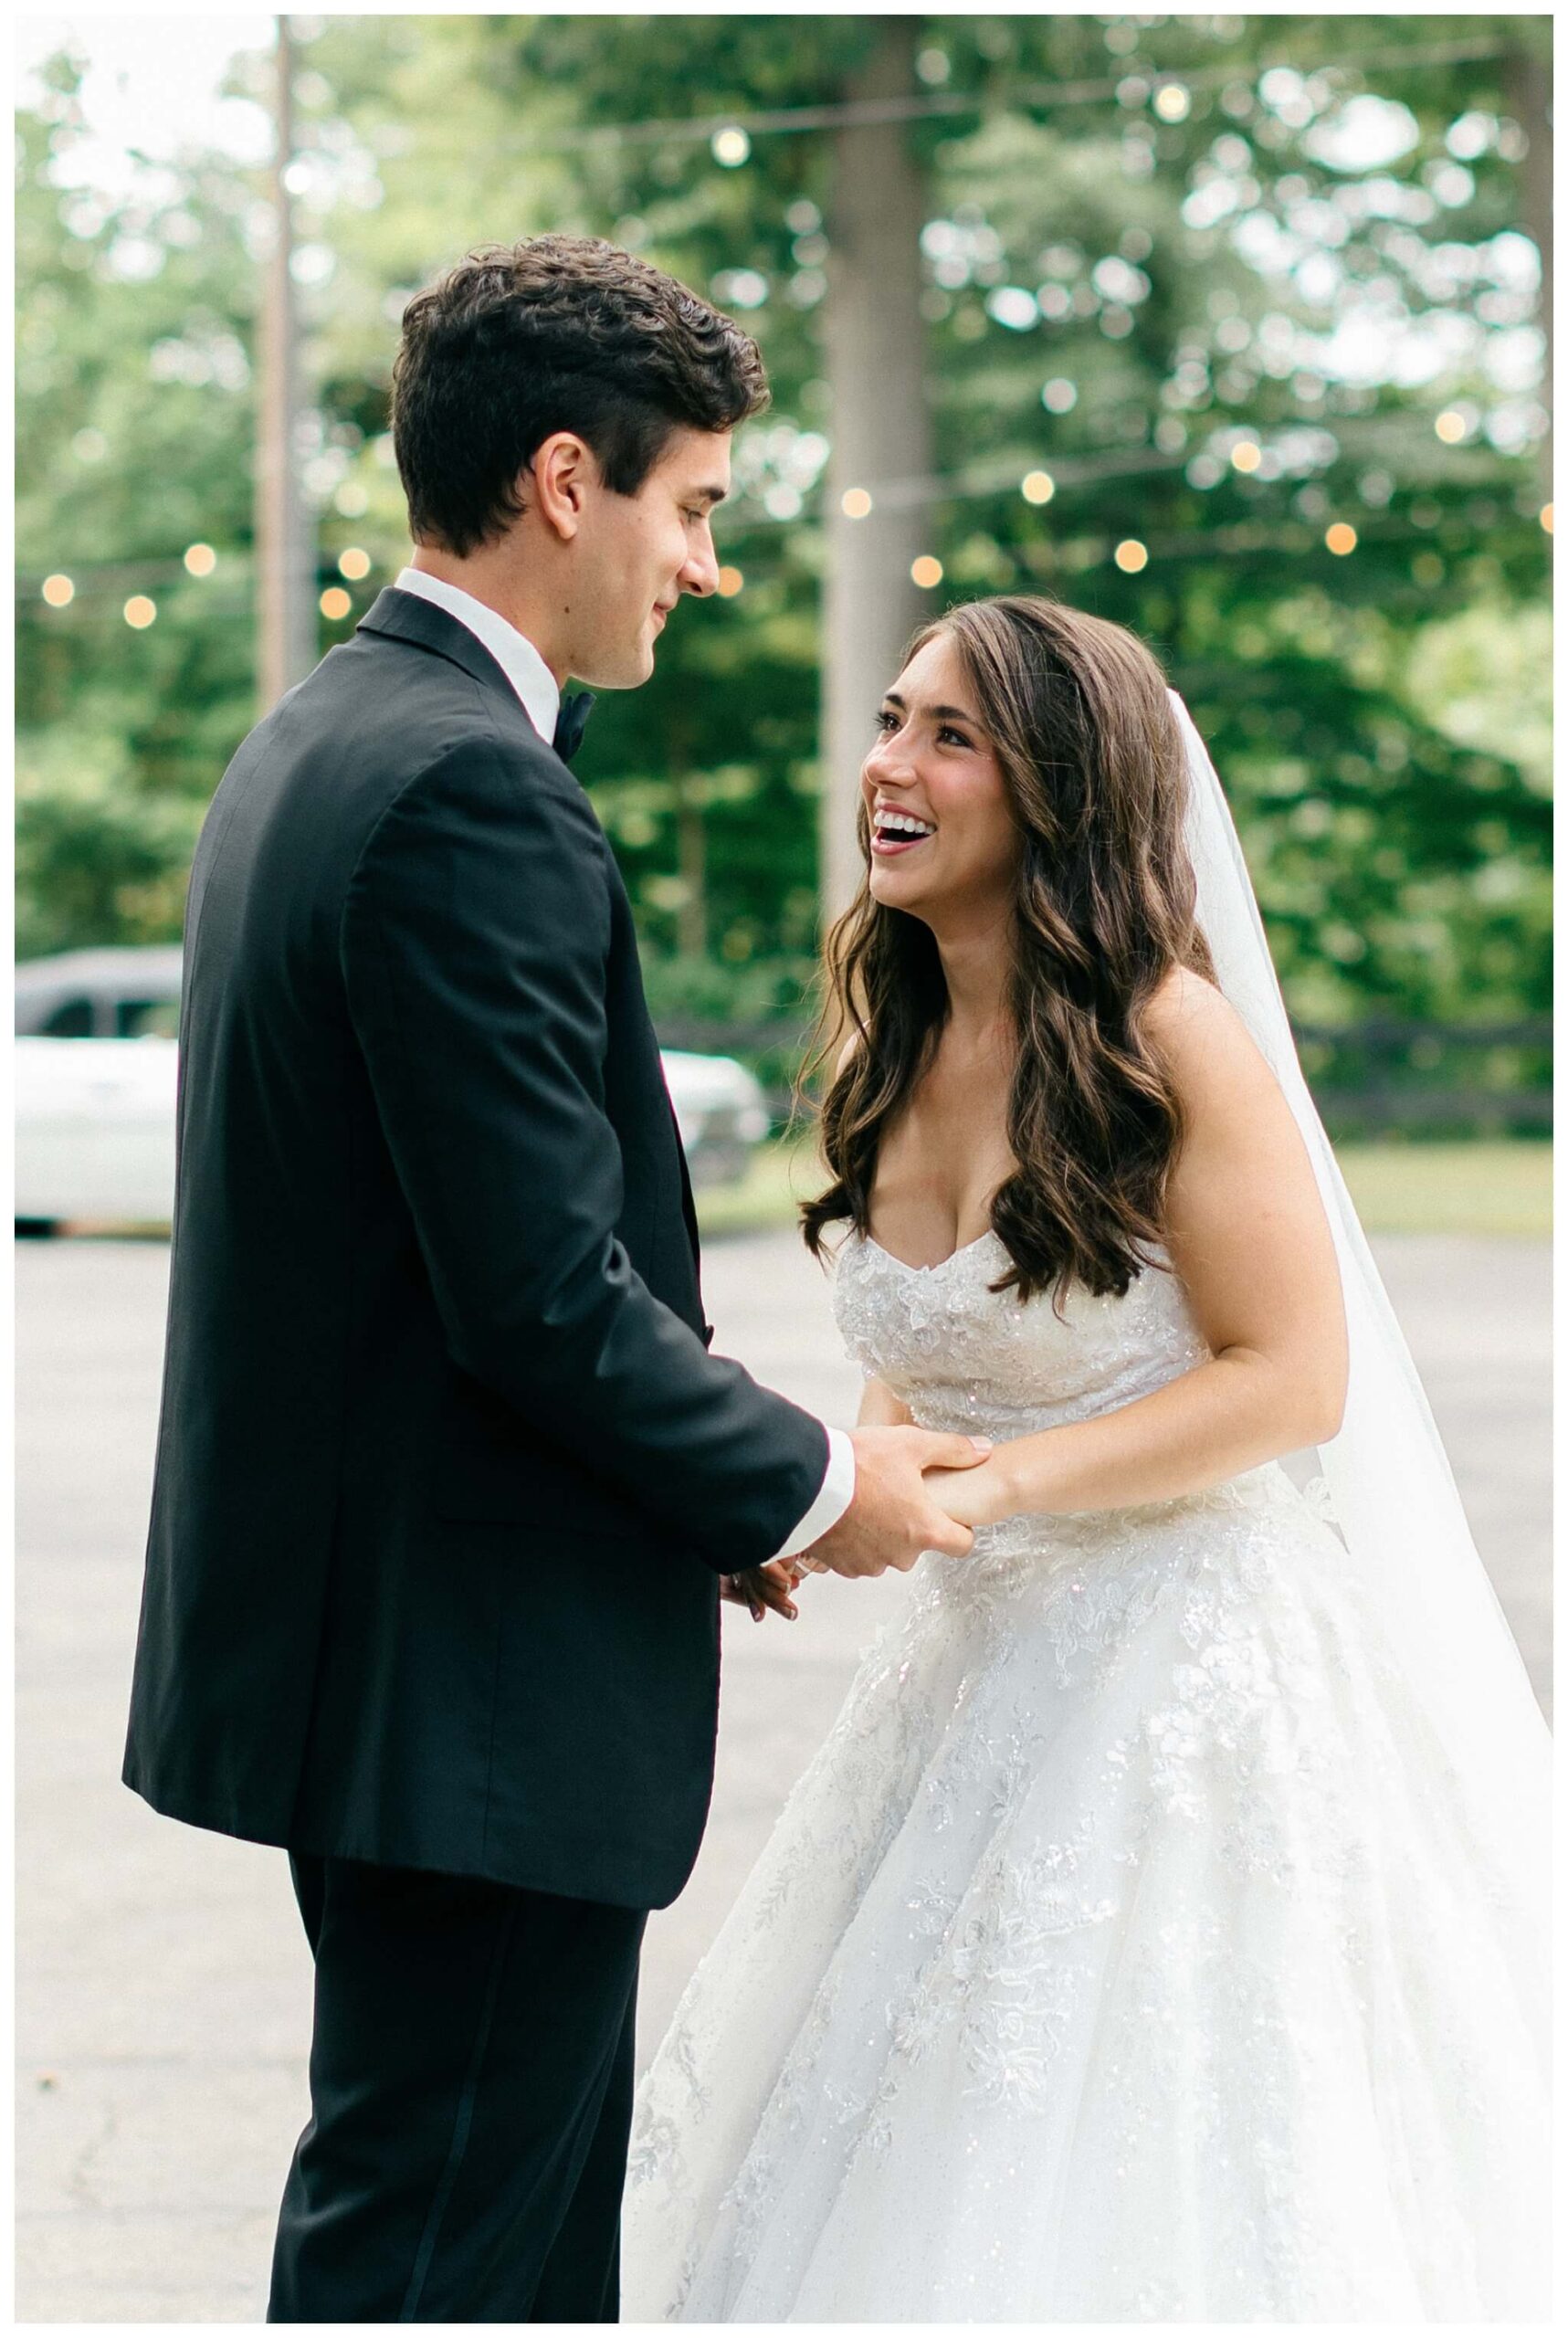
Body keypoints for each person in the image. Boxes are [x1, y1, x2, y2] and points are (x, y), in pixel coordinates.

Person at [120, 237, 991, 2323]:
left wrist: (684, 1494)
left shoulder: (320, 737)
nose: (701, 564)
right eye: (693, 506)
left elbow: (421, 1260)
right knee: (450, 2259)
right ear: (569, 479)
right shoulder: (468, 792)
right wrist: (803, 1481)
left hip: (392, 1645)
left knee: (444, 2218)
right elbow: (534, 1289)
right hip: (463, 1687)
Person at [624, 595, 1551, 2322]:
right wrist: (821, 1496)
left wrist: (1004, 1489)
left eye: (948, 737)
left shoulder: (1169, 1037)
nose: (887, 766)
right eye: (892, 720)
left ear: (1062, 787)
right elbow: (942, 1356)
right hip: (968, 1679)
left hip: (1178, 1666)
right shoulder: (888, 1030)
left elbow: (1292, 1381)